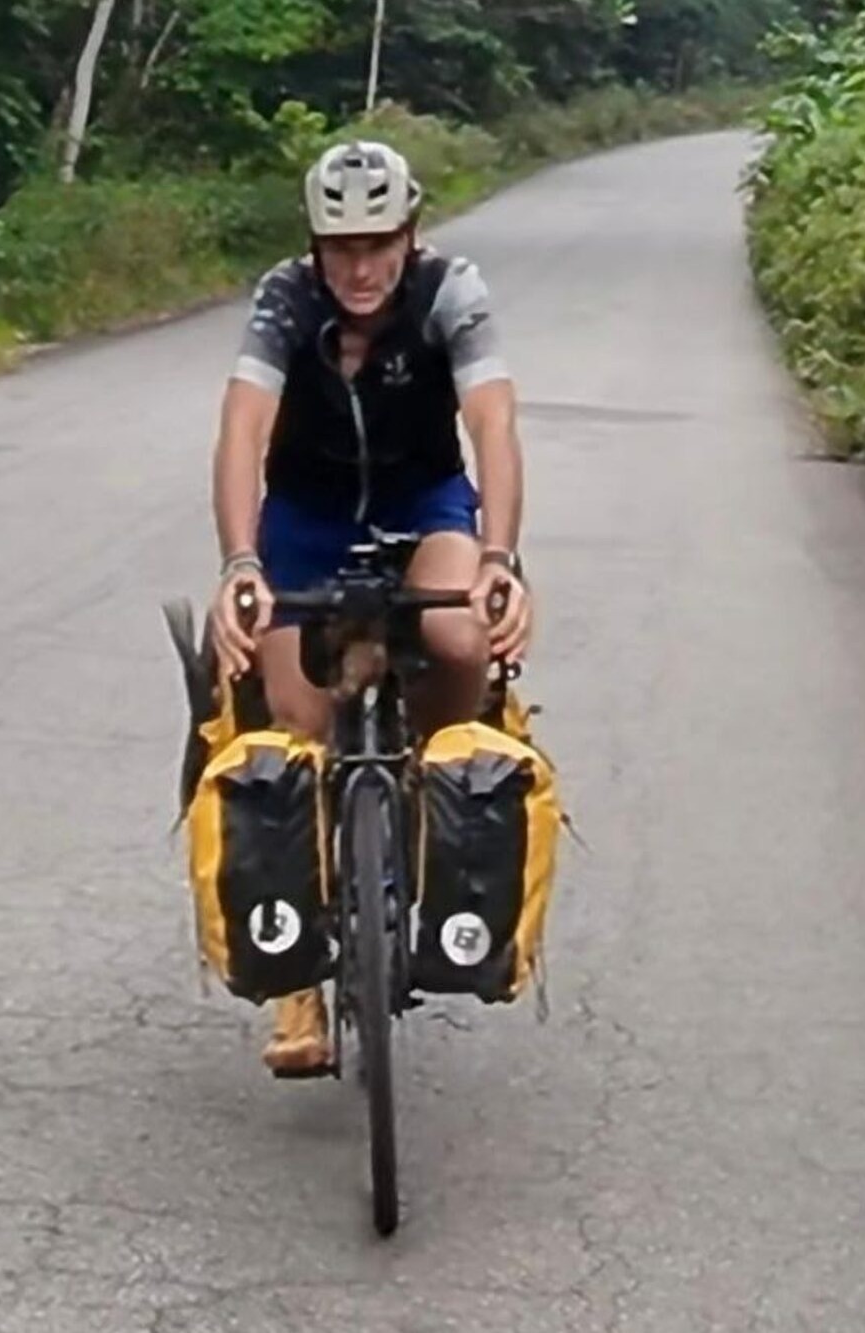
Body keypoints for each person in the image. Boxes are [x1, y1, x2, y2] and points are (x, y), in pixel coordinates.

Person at [207, 139, 532, 1073]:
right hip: (305, 515)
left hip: (422, 503)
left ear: (411, 234)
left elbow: (494, 423)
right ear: (314, 245)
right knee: (297, 733)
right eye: (338, 246)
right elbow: (242, 426)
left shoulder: (449, 292)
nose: (358, 267)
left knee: (460, 631)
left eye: (378, 244)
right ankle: (299, 987)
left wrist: (499, 559)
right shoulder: (285, 299)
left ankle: (431, 800)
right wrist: (240, 562)